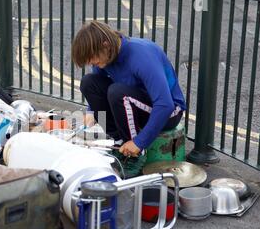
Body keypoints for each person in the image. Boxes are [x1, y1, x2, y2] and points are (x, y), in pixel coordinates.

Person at [72, 21, 186, 162]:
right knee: (88, 82)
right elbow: (96, 86)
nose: (91, 62)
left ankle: (134, 157)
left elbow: (165, 104)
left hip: (169, 112)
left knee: (118, 92)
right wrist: (91, 112)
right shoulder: (105, 57)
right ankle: (118, 141)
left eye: (92, 58)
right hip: (134, 103)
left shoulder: (141, 56)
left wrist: (139, 142)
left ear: (105, 45)